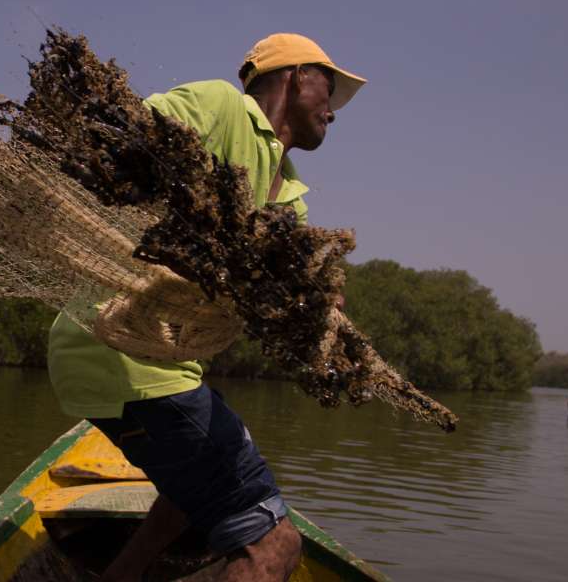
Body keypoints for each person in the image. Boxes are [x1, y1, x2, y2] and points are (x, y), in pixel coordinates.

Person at [46, 33, 366, 582]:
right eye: (328, 90)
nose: (334, 112)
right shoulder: (223, 107)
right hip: (121, 352)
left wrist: (321, 303)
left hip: (170, 366)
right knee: (274, 545)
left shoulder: (289, 195)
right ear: (293, 76)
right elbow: (123, 136)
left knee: (183, 497)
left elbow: (293, 287)